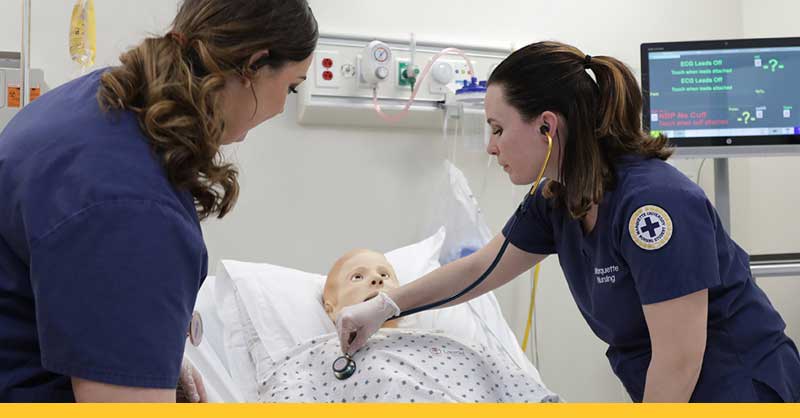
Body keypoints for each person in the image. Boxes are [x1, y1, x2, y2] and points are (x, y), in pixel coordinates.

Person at [335, 41, 800, 403]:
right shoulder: (557, 197)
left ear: (547, 126)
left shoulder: (655, 205)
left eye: (497, 129)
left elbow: (679, 358)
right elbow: (480, 268)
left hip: (739, 388)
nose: (490, 147)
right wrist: (383, 307)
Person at [0, 0, 317, 402]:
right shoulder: (136, 211)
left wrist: (142, 351)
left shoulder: (99, 100)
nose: (282, 106)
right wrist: (134, 369)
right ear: (253, 65)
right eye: (291, 85)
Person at [322, 249, 402, 329]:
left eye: (384, 275)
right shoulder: (326, 341)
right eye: (357, 277)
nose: (377, 278)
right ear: (331, 310)